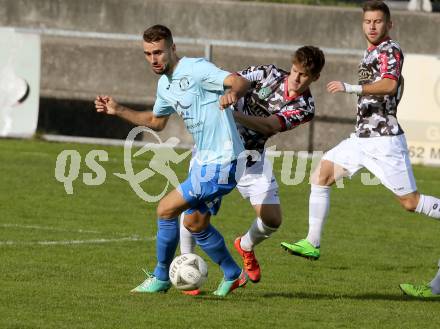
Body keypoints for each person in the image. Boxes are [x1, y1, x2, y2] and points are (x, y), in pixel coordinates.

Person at [94, 24, 251, 297]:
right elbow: (157, 122)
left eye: (159, 52)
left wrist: (233, 94)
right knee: (194, 223)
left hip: (224, 161)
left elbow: (241, 81)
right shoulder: (164, 85)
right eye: (147, 53)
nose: (154, 59)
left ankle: (161, 276)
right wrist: (117, 109)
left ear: (172, 48)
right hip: (205, 161)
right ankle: (233, 274)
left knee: (165, 209)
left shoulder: (197, 68)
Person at [281, 0, 440, 261]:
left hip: (384, 140)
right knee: (322, 174)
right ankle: (312, 242)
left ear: (390, 24)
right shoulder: (371, 52)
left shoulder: (390, 50)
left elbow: (389, 85)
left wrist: (351, 87)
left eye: (378, 21)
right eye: (368, 21)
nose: (372, 26)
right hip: (362, 138)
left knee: (410, 203)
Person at [180, 46, 325, 288]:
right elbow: (236, 81)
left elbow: (269, 126)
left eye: (304, 76)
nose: (296, 79)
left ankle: (245, 245)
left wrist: (232, 115)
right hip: (217, 150)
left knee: (272, 220)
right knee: (194, 211)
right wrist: (233, 95)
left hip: (251, 157)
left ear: (315, 78)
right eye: (295, 71)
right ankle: (185, 264)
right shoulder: (267, 73)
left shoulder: (305, 107)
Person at [0, 66, 30, 136]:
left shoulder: (18, 86)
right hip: (8, 102)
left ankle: (5, 132)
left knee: (6, 116)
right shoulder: (7, 83)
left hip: (10, 103)